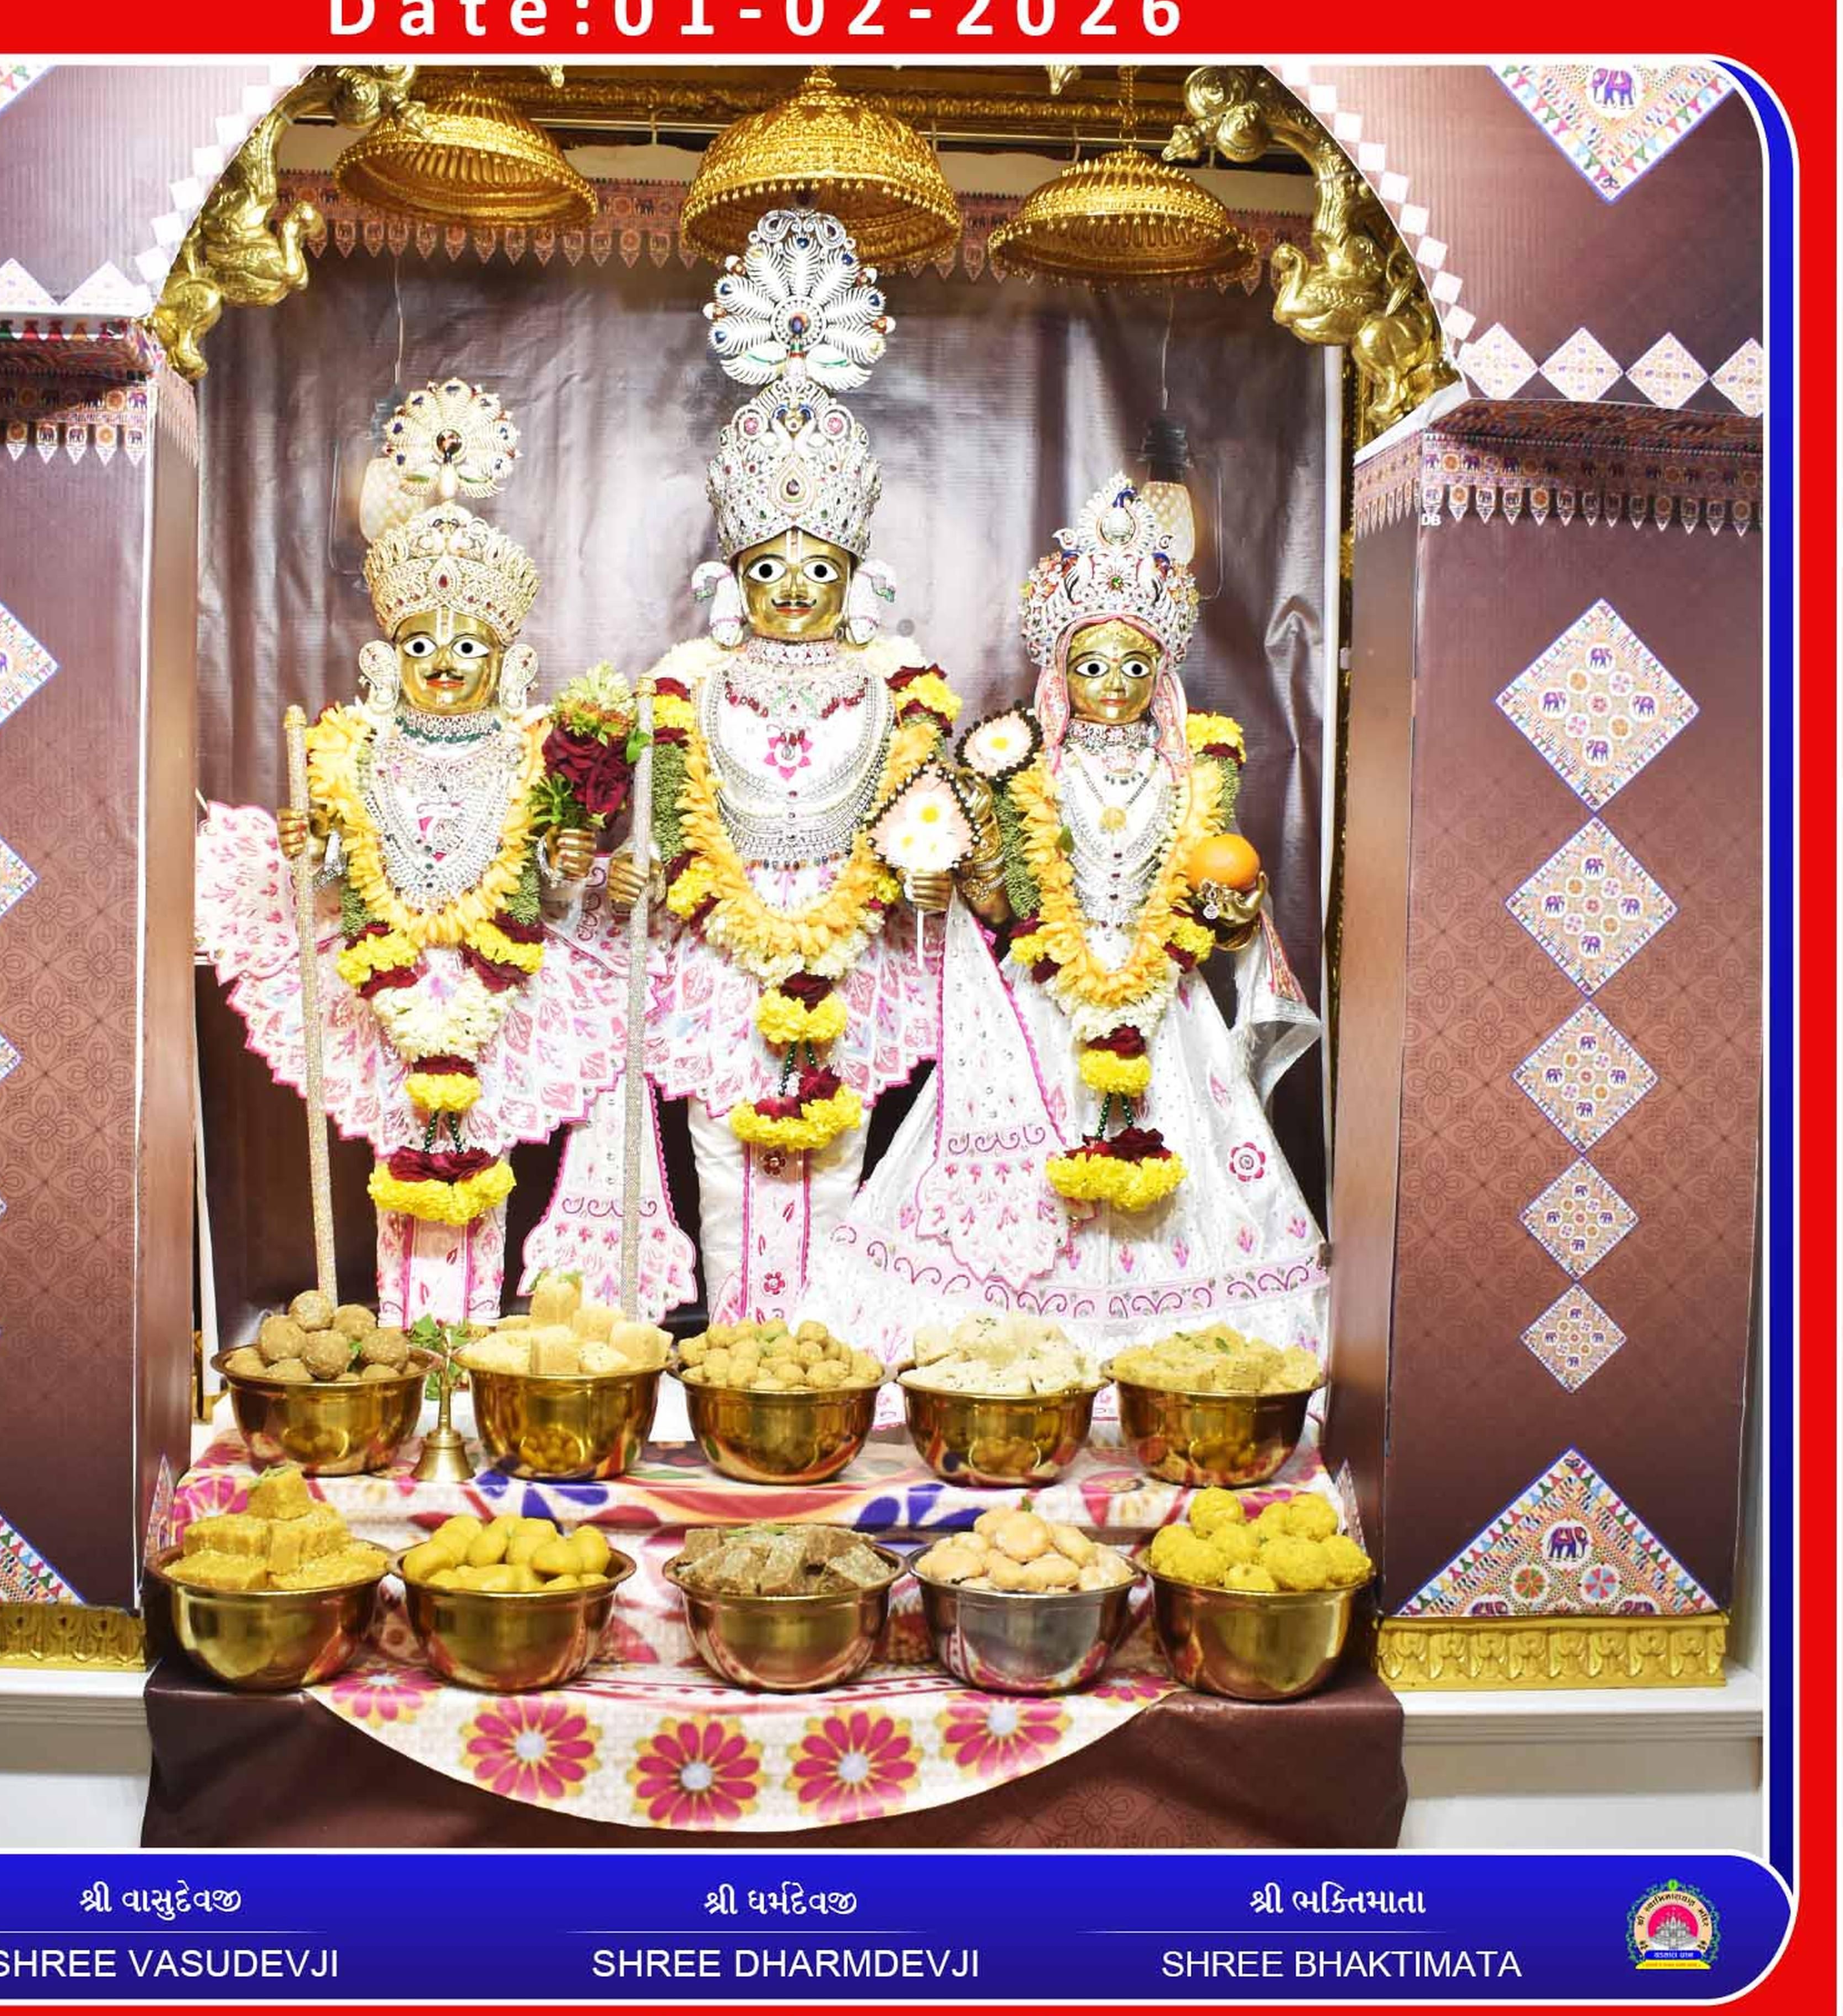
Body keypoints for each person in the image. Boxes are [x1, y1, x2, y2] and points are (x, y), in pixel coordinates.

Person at [800, 471, 1327, 1372]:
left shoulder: (1199, 768)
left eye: (1134, 666)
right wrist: (963, 875)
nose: (1113, 685)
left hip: (1166, 1010)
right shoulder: (1021, 769)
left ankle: (1172, 1353)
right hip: (1043, 1008)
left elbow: (1216, 908)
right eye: (1091, 665)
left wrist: (1236, 916)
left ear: (1162, 672)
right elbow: (1007, 908)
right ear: (1060, 673)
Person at [197, 377, 693, 1329]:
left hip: (493, 986)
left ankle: (467, 1359)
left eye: (469, 648)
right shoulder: (355, 746)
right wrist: (316, 847)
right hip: (383, 983)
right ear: (390, 656)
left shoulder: (534, 748)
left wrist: (567, 858)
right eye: (423, 644)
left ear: (505, 661)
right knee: (404, 1153)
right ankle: (406, 1346)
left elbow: (546, 889)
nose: (445, 665)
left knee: (477, 1155)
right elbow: (348, 871)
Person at [605, 208, 963, 1320]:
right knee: (726, 1162)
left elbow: (925, 830)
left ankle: (830, 1364)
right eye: (769, 566)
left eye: (818, 566)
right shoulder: (686, 685)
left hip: (852, 952)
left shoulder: (898, 686)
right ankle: (733, 1362)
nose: (796, 588)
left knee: (838, 1162)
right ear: (734, 574)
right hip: (721, 951)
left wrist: (930, 882)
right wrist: (627, 871)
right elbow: (652, 837)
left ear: (853, 574)